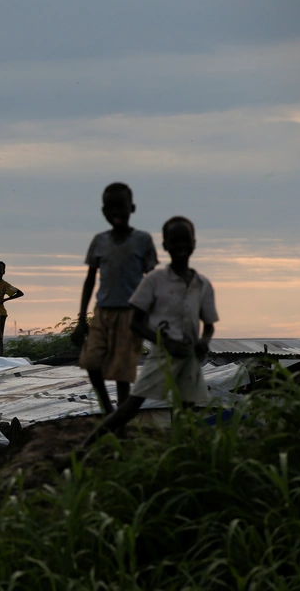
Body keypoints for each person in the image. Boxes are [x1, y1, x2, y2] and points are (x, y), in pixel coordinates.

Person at [78, 216, 218, 449]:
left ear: (194, 243)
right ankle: (86, 447)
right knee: (132, 405)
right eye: (175, 242)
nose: (181, 246)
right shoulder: (155, 280)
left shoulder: (202, 284)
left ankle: (179, 454)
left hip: (188, 358)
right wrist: (163, 342)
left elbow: (209, 325)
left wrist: (204, 342)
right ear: (165, 246)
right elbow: (135, 322)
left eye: (186, 241)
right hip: (162, 355)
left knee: (184, 409)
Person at [71, 183, 158, 415]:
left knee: (122, 373)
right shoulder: (100, 241)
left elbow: (153, 281)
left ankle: (120, 419)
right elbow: (90, 280)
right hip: (102, 312)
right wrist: (81, 319)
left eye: (121, 207)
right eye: (110, 208)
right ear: (103, 212)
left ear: (132, 208)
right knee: (91, 361)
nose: (116, 213)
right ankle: (108, 407)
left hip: (131, 315)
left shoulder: (142, 241)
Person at [0, 261, 24, 358]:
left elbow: (20, 293)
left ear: (3, 272)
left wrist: (5, 299)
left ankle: (0, 359)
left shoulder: (4, 284)